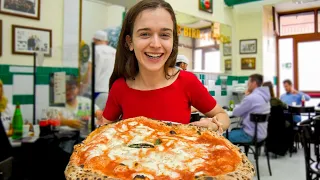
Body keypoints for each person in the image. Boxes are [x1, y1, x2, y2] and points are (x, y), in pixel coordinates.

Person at [95, 0, 230, 132]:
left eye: (164, 35)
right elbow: (103, 132)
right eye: (145, 34)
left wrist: (212, 125)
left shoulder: (187, 82)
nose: (155, 44)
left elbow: (223, 116)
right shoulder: (120, 87)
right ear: (130, 42)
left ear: (173, 41)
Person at [228, 74, 270, 143]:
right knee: (234, 131)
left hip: (249, 135)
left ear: (254, 83)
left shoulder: (251, 98)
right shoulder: (265, 98)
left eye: (248, 83)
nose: (247, 85)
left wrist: (246, 96)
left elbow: (236, 112)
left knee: (223, 136)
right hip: (262, 134)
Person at [85, 30, 116, 110]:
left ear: (95, 40)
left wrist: (84, 86)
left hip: (97, 89)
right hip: (112, 90)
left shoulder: (95, 49)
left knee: (96, 118)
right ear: (106, 41)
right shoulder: (114, 51)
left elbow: (89, 68)